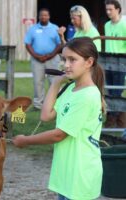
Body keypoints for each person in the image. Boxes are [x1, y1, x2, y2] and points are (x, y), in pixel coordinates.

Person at [13, 37, 105, 200]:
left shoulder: (88, 95)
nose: (66, 65)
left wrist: (26, 140)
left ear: (89, 62)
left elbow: (59, 134)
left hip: (80, 174)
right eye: (64, 59)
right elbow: (46, 115)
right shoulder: (71, 88)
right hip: (66, 172)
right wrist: (56, 84)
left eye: (72, 60)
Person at [24, 8, 61, 110]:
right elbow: (27, 44)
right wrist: (36, 56)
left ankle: (55, 103)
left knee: (54, 81)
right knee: (38, 81)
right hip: (37, 60)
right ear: (38, 16)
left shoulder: (55, 28)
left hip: (52, 59)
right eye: (41, 15)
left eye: (45, 15)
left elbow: (59, 44)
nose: (43, 17)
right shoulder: (33, 29)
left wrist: (50, 55)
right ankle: (38, 105)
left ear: (49, 16)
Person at [104, 0, 126, 128]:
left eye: (110, 9)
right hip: (108, 63)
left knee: (117, 93)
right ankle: (121, 122)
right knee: (111, 93)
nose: (108, 12)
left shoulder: (124, 24)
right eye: (106, 9)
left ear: (118, 9)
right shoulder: (107, 25)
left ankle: (111, 121)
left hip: (120, 63)